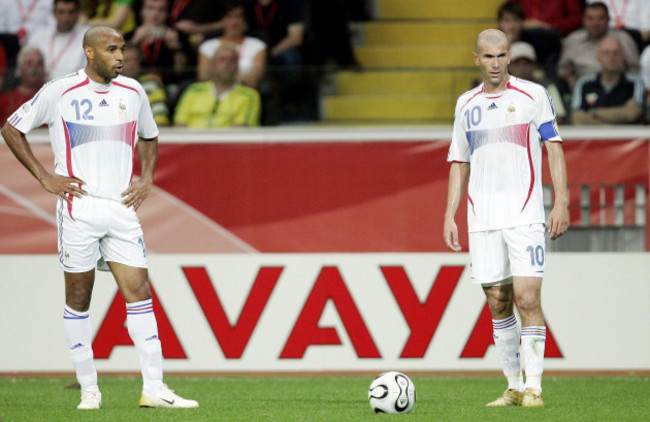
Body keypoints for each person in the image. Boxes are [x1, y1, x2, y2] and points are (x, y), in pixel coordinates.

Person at [0, 25, 197, 410]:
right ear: (90, 53)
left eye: (122, 48)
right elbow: (11, 128)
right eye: (112, 49)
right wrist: (45, 177)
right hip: (80, 207)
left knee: (139, 290)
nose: (121, 56)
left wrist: (147, 178)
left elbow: (150, 135)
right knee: (79, 296)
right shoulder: (61, 90)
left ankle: (154, 388)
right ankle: (89, 388)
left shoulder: (134, 91)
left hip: (121, 209)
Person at [443, 29, 569, 408]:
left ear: (509, 56)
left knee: (527, 297)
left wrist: (560, 200)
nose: (495, 63)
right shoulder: (466, 104)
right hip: (482, 217)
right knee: (498, 300)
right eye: (488, 56)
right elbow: (459, 161)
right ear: (476, 59)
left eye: (501, 56)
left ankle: (535, 386)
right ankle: (513, 385)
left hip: (524, 213)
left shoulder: (533, 96)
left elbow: (554, 148)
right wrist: (450, 213)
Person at [558, 2, 640, 91]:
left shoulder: (623, 39)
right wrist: (571, 81)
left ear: (608, 19)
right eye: (590, 18)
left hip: (619, 90)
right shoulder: (573, 40)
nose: (595, 23)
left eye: (600, 18)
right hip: (584, 89)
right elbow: (563, 69)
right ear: (583, 20)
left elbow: (634, 68)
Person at [174, 43, 261, 127]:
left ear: (237, 65)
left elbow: (240, 132)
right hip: (190, 141)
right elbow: (179, 126)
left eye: (232, 60)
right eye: (222, 59)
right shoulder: (193, 91)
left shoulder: (249, 95)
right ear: (213, 65)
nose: (227, 64)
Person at [571, 36, 644, 124]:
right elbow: (577, 118)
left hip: (629, 138)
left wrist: (595, 112)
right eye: (606, 53)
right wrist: (620, 116)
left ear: (623, 57)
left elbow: (633, 114)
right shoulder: (584, 83)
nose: (611, 57)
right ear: (598, 57)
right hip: (592, 137)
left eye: (616, 53)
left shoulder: (635, 83)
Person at [197, 0, 267, 87]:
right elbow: (204, 78)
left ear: (245, 20)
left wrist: (221, 77)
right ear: (222, 21)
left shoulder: (258, 46)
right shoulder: (207, 46)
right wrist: (238, 78)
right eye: (229, 17)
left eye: (239, 16)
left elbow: (253, 80)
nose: (234, 22)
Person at [125, 0, 186, 86]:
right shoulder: (129, 36)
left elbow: (181, 71)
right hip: (135, 84)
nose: (155, 14)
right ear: (142, 11)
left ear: (167, 13)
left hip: (168, 85)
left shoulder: (177, 35)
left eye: (161, 9)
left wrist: (176, 48)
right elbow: (121, 68)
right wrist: (135, 41)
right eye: (150, 8)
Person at [26, 0, 89, 80]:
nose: (66, 17)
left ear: (78, 13)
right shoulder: (39, 35)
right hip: (39, 86)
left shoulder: (87, 37)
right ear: (54, 13)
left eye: (71, 12)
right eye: (61, 12)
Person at [508, 41, 567, 122]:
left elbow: (559, 117)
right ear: (509, 66)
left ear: (534, 66)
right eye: (517, 64)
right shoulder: (498, 89)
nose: (522, 68)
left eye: (527, 64)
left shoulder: (546, 87)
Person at [496, 1, 560, 67]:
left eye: (515, 20)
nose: (512, 26)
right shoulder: (493, 41)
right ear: (499, 23)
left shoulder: (533, 41)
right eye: (507, 21)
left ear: (522, 22)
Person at [122, 44, 171, 126]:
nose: (132, 65)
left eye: (135, 60)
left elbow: (160, 120)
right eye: (127, 61)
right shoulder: (105, 86)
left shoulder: (151, 83)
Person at [0, 47, 45, 124]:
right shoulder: (6, 100)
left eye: (39, 64)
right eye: (29, 63)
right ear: (19, 68)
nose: (35, 68)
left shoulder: (51, 97)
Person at [586, 0, 650, 50]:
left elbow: (647, 32)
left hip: (634, 41)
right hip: (601, 39)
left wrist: (626, 40)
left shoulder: (644, 1)